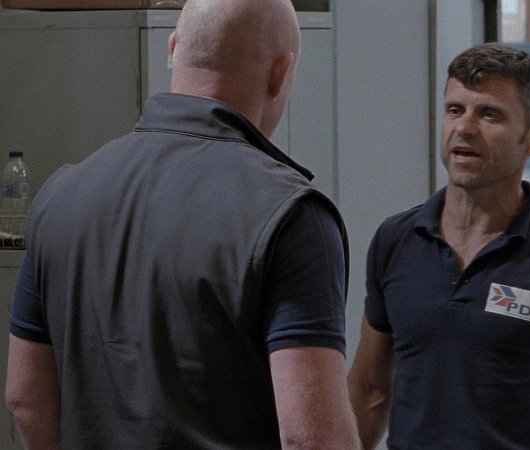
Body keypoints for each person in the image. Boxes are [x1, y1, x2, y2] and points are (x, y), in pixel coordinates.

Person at [3, 0, 361, 448]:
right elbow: (313, 438)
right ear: (280, 72)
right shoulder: (290, 215)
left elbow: (25, 400)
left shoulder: (60, 197)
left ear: (173, 48)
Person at [348, 42, 530, 450]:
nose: (464, 128)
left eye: (489, 114)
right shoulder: (396, 239)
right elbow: (369, 391)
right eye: (455, 110)